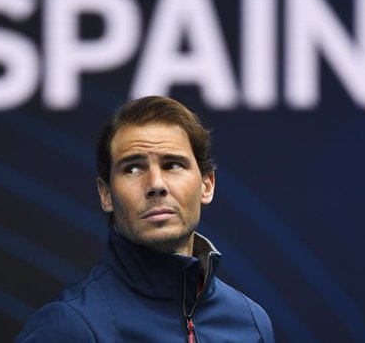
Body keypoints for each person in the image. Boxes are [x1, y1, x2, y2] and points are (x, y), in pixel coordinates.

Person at [15, 96, 274, 342]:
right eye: (133, 168)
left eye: (172, 164)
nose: (156, 184)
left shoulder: (251, 322)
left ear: (207, 185)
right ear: (106, 194)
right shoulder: (70, 326)